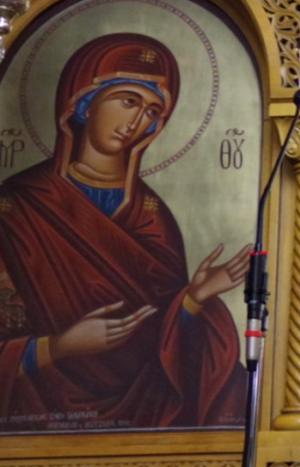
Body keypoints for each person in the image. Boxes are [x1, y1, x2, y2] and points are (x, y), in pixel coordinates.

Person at [0, 34, 248, 433]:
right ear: (82, 103)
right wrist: (57, 347)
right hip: (34, 418)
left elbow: (168, 353)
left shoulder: (151, 214)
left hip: (148, 415)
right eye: (128, 101)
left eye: (152, 111)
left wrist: (193, 300)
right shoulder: (16, 207)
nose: (136, 122)